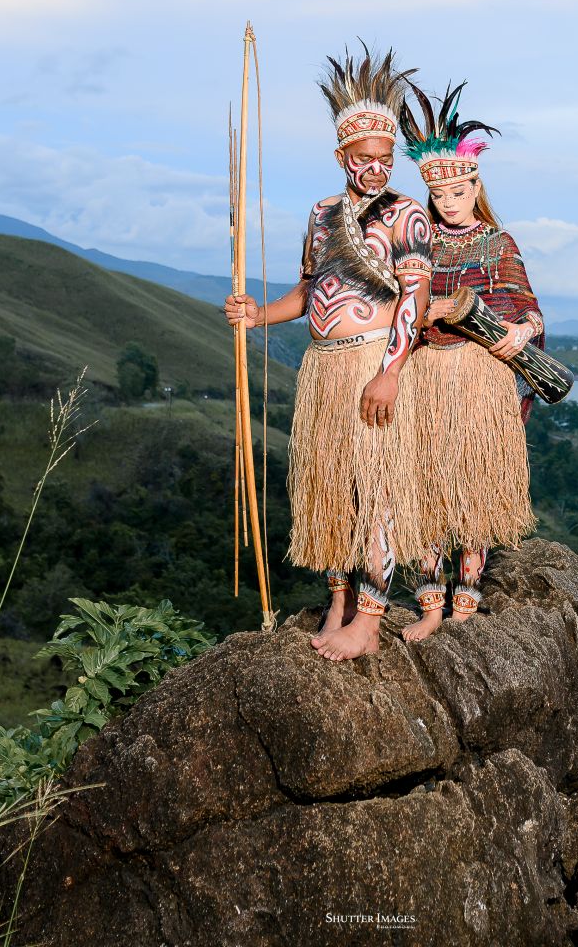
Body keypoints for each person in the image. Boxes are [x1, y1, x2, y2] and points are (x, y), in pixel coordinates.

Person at [224, 46, 431, 660]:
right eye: (365, 158)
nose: (377, 169)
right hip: (323, 368)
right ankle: (338, 602)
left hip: (373, 362)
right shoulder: (322, 215)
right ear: (343, 156)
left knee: (376, 487)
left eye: (386, 158)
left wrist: (389, 372)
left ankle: (369, 619)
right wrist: (258, 314)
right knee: (332, 487)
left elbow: (416, 298)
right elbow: (309, 290)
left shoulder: (406, 215)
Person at [397, 82, 541, 642]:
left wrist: (520, 331)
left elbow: (529, 310)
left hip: (481, 377)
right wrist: (424, 312)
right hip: (427, 374)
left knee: (476, 483)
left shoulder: (499, 243)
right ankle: (430, 602)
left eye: (458, 191)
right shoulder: (419, 243)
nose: (449, 202)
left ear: (475, 186)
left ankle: (466, 599)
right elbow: (398, 304)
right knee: (428, 483)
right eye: (439, 195)